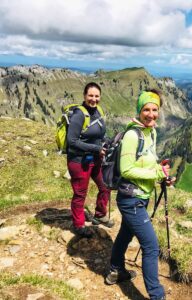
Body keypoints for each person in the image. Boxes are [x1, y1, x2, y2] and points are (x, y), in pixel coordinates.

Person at [106, 89, 174, 300]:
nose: (151, 114)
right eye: (146, 109)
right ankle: (157, 296)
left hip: (141, 196)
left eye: (155, 110)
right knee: (151, 247)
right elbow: (126, 169)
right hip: (130, 199)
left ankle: (115, 271)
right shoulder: (132, 135)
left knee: (126, 233)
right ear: (139, 110)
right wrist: (155, 172)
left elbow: (148, 161)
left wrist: (161, 173)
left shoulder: (150, 132)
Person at [67, 82, 114, 238]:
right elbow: (72, 141)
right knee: (80, 194)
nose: (94, 99)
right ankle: (78, 224)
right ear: (84, 96)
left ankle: (100, 214)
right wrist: (96, 149)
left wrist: (107, 142)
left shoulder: (98, 111)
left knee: (105, 185)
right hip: (79, 161)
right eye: (90, 96)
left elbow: (99, 135)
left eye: (96, 96)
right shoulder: (79, 115)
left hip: (96, 158)